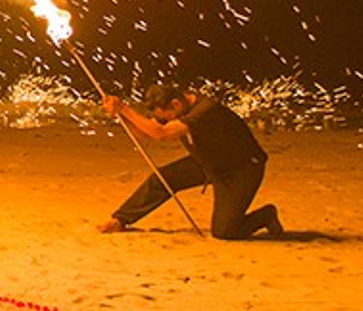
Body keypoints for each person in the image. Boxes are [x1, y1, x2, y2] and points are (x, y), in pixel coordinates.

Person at [100, 85, 284, 240]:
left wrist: (124, 109)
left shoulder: (205, 110)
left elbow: (162, 133)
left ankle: (266, 215)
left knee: (225, 232)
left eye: (168, 116)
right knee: (163, 178)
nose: (168, 120)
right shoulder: (176, 108)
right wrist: (120, 115)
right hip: (208, 160)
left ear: (176, 103)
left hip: (241, 168)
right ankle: (121, 220)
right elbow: (146, 133)